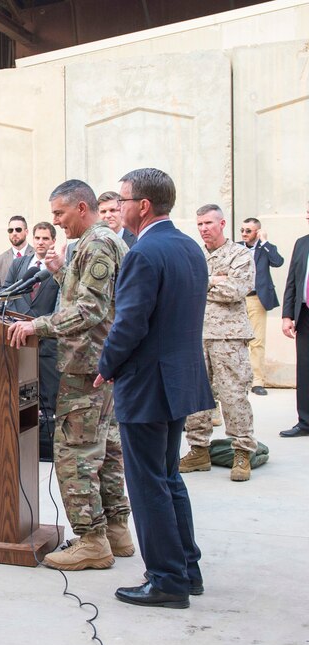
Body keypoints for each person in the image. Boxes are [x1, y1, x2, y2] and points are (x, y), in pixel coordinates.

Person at [98, 167, 212, 609]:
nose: (119, 207)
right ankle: (186, 568)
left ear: (142, 206)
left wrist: (106, 366)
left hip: (147, 384)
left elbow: (130, 323)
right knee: (168, 477)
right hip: (178, 381)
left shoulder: (143, 253)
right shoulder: (188, 247)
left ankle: (166, 580)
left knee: (147, 484)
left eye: (123, 200)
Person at [7, 180, 133, 571]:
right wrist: (63, 273)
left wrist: (38, 326)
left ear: (82, 207)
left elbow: (91, 311)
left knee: (74, 454)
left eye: (60, 214)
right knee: (107, 450)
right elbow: (94, 299)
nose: (56, 222)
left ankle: (91, 540)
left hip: (86, 366)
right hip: (103, 364)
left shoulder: (96, 243)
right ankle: (116, 531)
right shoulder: (104, 241)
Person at [179, 204, 257, 482]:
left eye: (208, 223)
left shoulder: (240, 254)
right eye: (199, 224)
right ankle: (198, 449)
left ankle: (242, 450)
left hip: (229, 337)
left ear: (222, 224)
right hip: (195, 336)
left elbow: (236, 290)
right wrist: (215, 280)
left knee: (233, 395)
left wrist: (204, 282)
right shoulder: (194, 255)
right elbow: (183, 288)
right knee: (196, 397)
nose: (203, 229)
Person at [4, 221, 62, 417]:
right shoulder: (19, 264)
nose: (40, 242)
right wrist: (16, 320)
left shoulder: (59, 267)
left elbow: (60, 305)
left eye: (45, 238)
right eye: (37, 238)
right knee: (23, 403)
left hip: (46, 344)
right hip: (19, 341)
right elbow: (6, 294)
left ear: (53, 241)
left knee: (46, 405)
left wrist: (37, 326)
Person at [239, 217, 284, 395]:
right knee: (237, 340)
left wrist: (264, 241)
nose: (244, 233)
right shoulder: (235, 248)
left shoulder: (265, 249)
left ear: (257, 232)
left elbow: (278, 261)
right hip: (238, 299)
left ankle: (257, 381)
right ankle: (241, 379)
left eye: (248, 230)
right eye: (242, 230)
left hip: (257, 299)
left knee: (257, 341)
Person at [279, 200, 309, 438]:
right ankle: (305, 422)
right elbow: (292, 282)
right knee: (305, 368)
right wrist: (287, 315)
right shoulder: (301, 244)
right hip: (305, 314)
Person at [0, 216, 31, 291]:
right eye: (11, 230)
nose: (14, 233)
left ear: (26, 232)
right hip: (7, 301)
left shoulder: (36, 255)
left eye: (18, 230)